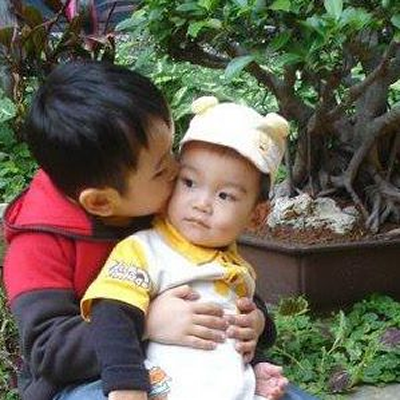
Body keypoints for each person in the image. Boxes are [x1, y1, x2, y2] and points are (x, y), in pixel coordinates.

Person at [2, 62, 273, 400]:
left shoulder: (157, 202)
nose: (176, 170)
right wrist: (146, 324)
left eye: (172, 152)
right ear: (101, 202)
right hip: (85, 379)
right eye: (160, 169)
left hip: (186, 364)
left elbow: (215, 270)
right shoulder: (37, 246)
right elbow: (47, 350)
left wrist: (256, 320)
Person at [80, 96, 319, 400]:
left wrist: (257, 337)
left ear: (257, 216)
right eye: (189, 183)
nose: (201, 204)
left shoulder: (237, 267)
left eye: (224, 196)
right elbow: (112, 316)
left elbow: (229, 332)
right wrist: (127, 388)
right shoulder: (145, 250)